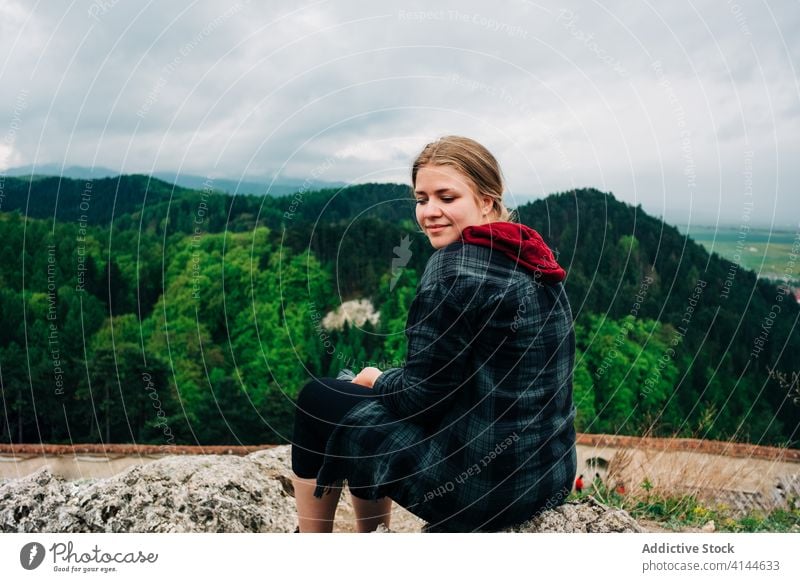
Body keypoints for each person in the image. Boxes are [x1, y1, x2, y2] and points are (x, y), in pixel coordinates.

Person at [291, 135, 577, 532]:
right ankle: (370, 537)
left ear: (486, 200)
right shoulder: (532, 256)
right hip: (548, 476)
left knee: (319, 398)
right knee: (355, 398)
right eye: (421, 199)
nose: (430, 212)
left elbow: (419, 399)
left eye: (447, 197)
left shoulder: (453, 271)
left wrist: (377, 379)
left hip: (480, 490)